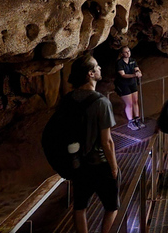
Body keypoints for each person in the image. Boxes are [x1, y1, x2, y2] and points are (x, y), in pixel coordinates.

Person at [67, 55, 119, 233]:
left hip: (78, 163)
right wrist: (114, 167)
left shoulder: (68, 100)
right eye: (97, 67)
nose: (100, 69)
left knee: (80, 206)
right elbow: (107, 141)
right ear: (90, 74)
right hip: (100, 163)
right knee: (112, 206)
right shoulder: (101, 102)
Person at [115, 46, 144, 130]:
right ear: (122, 54)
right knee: (129, 103)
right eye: (125, 52)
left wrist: (138, 72)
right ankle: (130, 122)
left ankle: (137, 119)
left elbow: (136, 69)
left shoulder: (132, 60)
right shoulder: (119, 63)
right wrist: (134, 75)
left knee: (135, 101)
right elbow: (123, 75)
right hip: (124, 85)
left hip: (132, 83)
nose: (128, 53)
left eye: (128, 51)